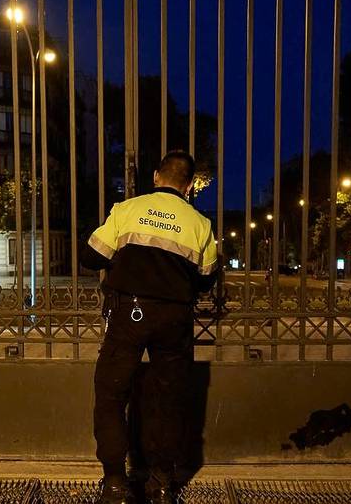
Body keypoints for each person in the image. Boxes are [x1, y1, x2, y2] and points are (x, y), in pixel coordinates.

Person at [80, 151, 220, 504]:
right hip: (174, 318)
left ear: (157, 176)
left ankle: (115, 483)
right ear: (189, 186)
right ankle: (161, 484)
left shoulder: (127, 210)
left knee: (111, 395)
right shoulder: (200, 224)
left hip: (128, 313)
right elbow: (207, 278)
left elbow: (91, 257)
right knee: (169, 398)